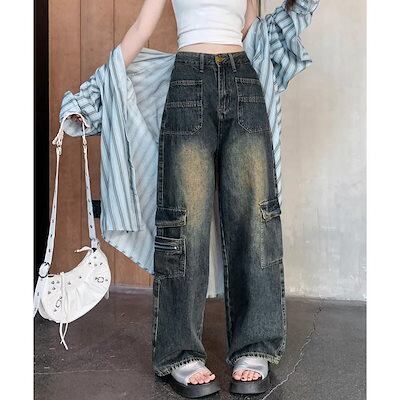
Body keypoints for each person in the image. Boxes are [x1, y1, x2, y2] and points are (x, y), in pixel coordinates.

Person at [68, 0, 319, 397]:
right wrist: (93, 94)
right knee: (183, 223)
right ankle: (180, 352)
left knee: (255, 219)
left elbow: (251, 29)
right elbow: (140, 30)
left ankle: (254, 346)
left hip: (244, 81)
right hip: (188, 83)